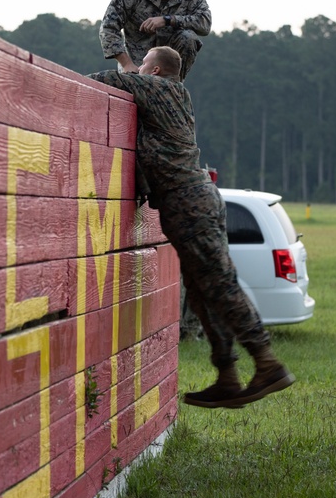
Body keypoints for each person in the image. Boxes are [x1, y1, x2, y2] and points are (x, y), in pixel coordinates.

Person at [87, 47, 294, 408]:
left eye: (144, 64)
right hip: (191, 201)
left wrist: (125, 68)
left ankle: (267, 362)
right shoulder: (167, 94)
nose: (140, 69)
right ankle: (228, 375)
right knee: (201, 293)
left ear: (154, 70)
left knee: (220, 284)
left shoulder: (162, 88)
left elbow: (103, 81)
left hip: (189, 202)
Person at [99, 0, 211, 82]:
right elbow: (108, 28)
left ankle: (174, 86)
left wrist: (168, 20)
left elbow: (205, 23)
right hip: (135, 68)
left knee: (189, 38)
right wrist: (126, 64)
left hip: (169, 75)